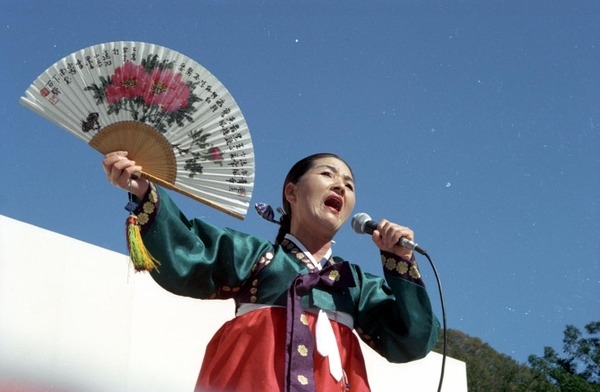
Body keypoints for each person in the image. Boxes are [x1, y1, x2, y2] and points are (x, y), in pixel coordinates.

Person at [103, 150, 440, 392]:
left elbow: (411, 340)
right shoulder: (256, 256)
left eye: (349, 185)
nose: (340, 186)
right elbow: (187, 252)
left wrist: (400, 262)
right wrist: (144, 190)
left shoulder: (354, 285)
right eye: (328, 174)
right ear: (291, 192)